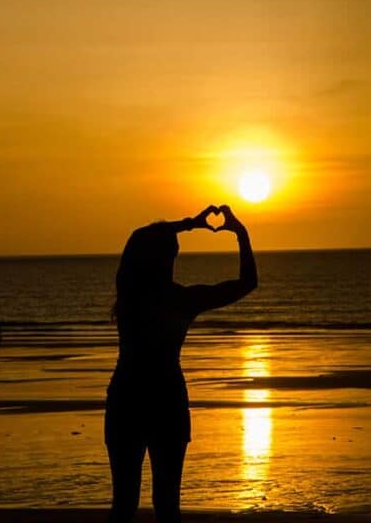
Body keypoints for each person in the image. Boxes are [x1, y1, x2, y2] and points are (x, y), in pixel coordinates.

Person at [105, 204, 258, 523]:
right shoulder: (182, 300)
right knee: (166, 505)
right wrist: (239, 232)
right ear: (170, 258)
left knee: (124, 505)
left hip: (127, 399)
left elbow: (138, 237)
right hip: (166, 403)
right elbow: (247, 282)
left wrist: (189, 224)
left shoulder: (130, 294)